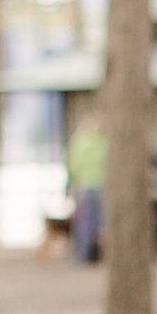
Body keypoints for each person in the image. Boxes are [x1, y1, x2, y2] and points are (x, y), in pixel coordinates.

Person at [66, 113, 108, 264]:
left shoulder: (80, 143)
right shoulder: (104, 144)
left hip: (84, 187)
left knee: (84, 222)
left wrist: (74, 182)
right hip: (100, 186)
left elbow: (73, 166)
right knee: (99, 223)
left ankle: (84, 256)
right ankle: (94, 255)